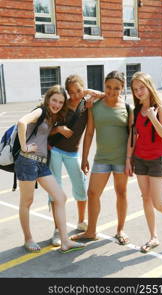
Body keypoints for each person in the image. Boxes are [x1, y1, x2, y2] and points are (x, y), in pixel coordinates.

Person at [14, 85, 85, 253]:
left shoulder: (52, 116)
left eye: (60, 102)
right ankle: (28, 239)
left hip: (41, 163)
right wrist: (24, 147)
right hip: (27, 161)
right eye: (54, 100)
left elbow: (44, 132)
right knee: (27, 201)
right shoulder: (40, 111)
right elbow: (21, 122)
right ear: (48, 99)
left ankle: (65, 241)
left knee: (60, 197)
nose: (57, 104)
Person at [70, 70, 133, 244]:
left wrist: (129, 159)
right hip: (101, 159)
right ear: (104, 86)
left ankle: (120, 230)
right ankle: (91, 231)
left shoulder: (128, 108)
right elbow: (89, 133)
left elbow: (132, 137)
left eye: (117, 88)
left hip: (121, 160)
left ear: (122, 89)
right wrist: (84, 158)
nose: (112, 91)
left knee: (121, 192)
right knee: (92, 193)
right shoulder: (95, 105)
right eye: (109, 87)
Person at [125, 71, 162, 253]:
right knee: (146, 199)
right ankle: (153, 237)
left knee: (159, 203)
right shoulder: (135, 111)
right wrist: (128, 159)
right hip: (140, 160)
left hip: (157, 160)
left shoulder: (160, 108)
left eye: (141, 88)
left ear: (149, 87)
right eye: (135, 89)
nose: (138, 92)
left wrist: (152, 117)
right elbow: (132, 137)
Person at [48, 75, 105, 247]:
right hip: (55, 150)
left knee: (80, 185)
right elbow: (46, 130)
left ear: (84, 89)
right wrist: (58, 128)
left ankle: (81, 221)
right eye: (71, 92)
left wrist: (86, 94)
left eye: (79, 91)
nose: (75, 95)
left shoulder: (87, 105)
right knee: (55, 189)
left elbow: (104, 95)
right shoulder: (62, 105)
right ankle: (57, 229)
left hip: (73, 152)